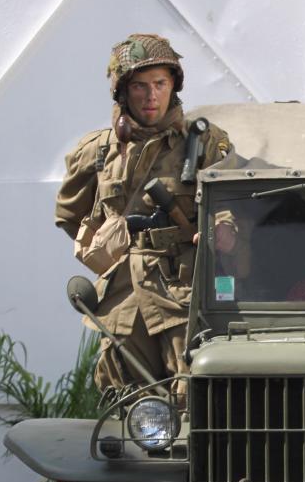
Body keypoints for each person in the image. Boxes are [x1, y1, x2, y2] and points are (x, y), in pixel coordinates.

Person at [54, 33, 231, 396]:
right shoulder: (97, 151)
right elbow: (70, 214)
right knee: (126, 401)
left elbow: (231, 207)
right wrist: (104, 246)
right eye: (139, 85)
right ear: (123, 91)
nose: (151, 95)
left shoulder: (205, 143)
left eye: (160, 84)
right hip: (121, 300)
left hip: (182, 293)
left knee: (193, 393)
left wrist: (218, 231)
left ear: (173, 86)